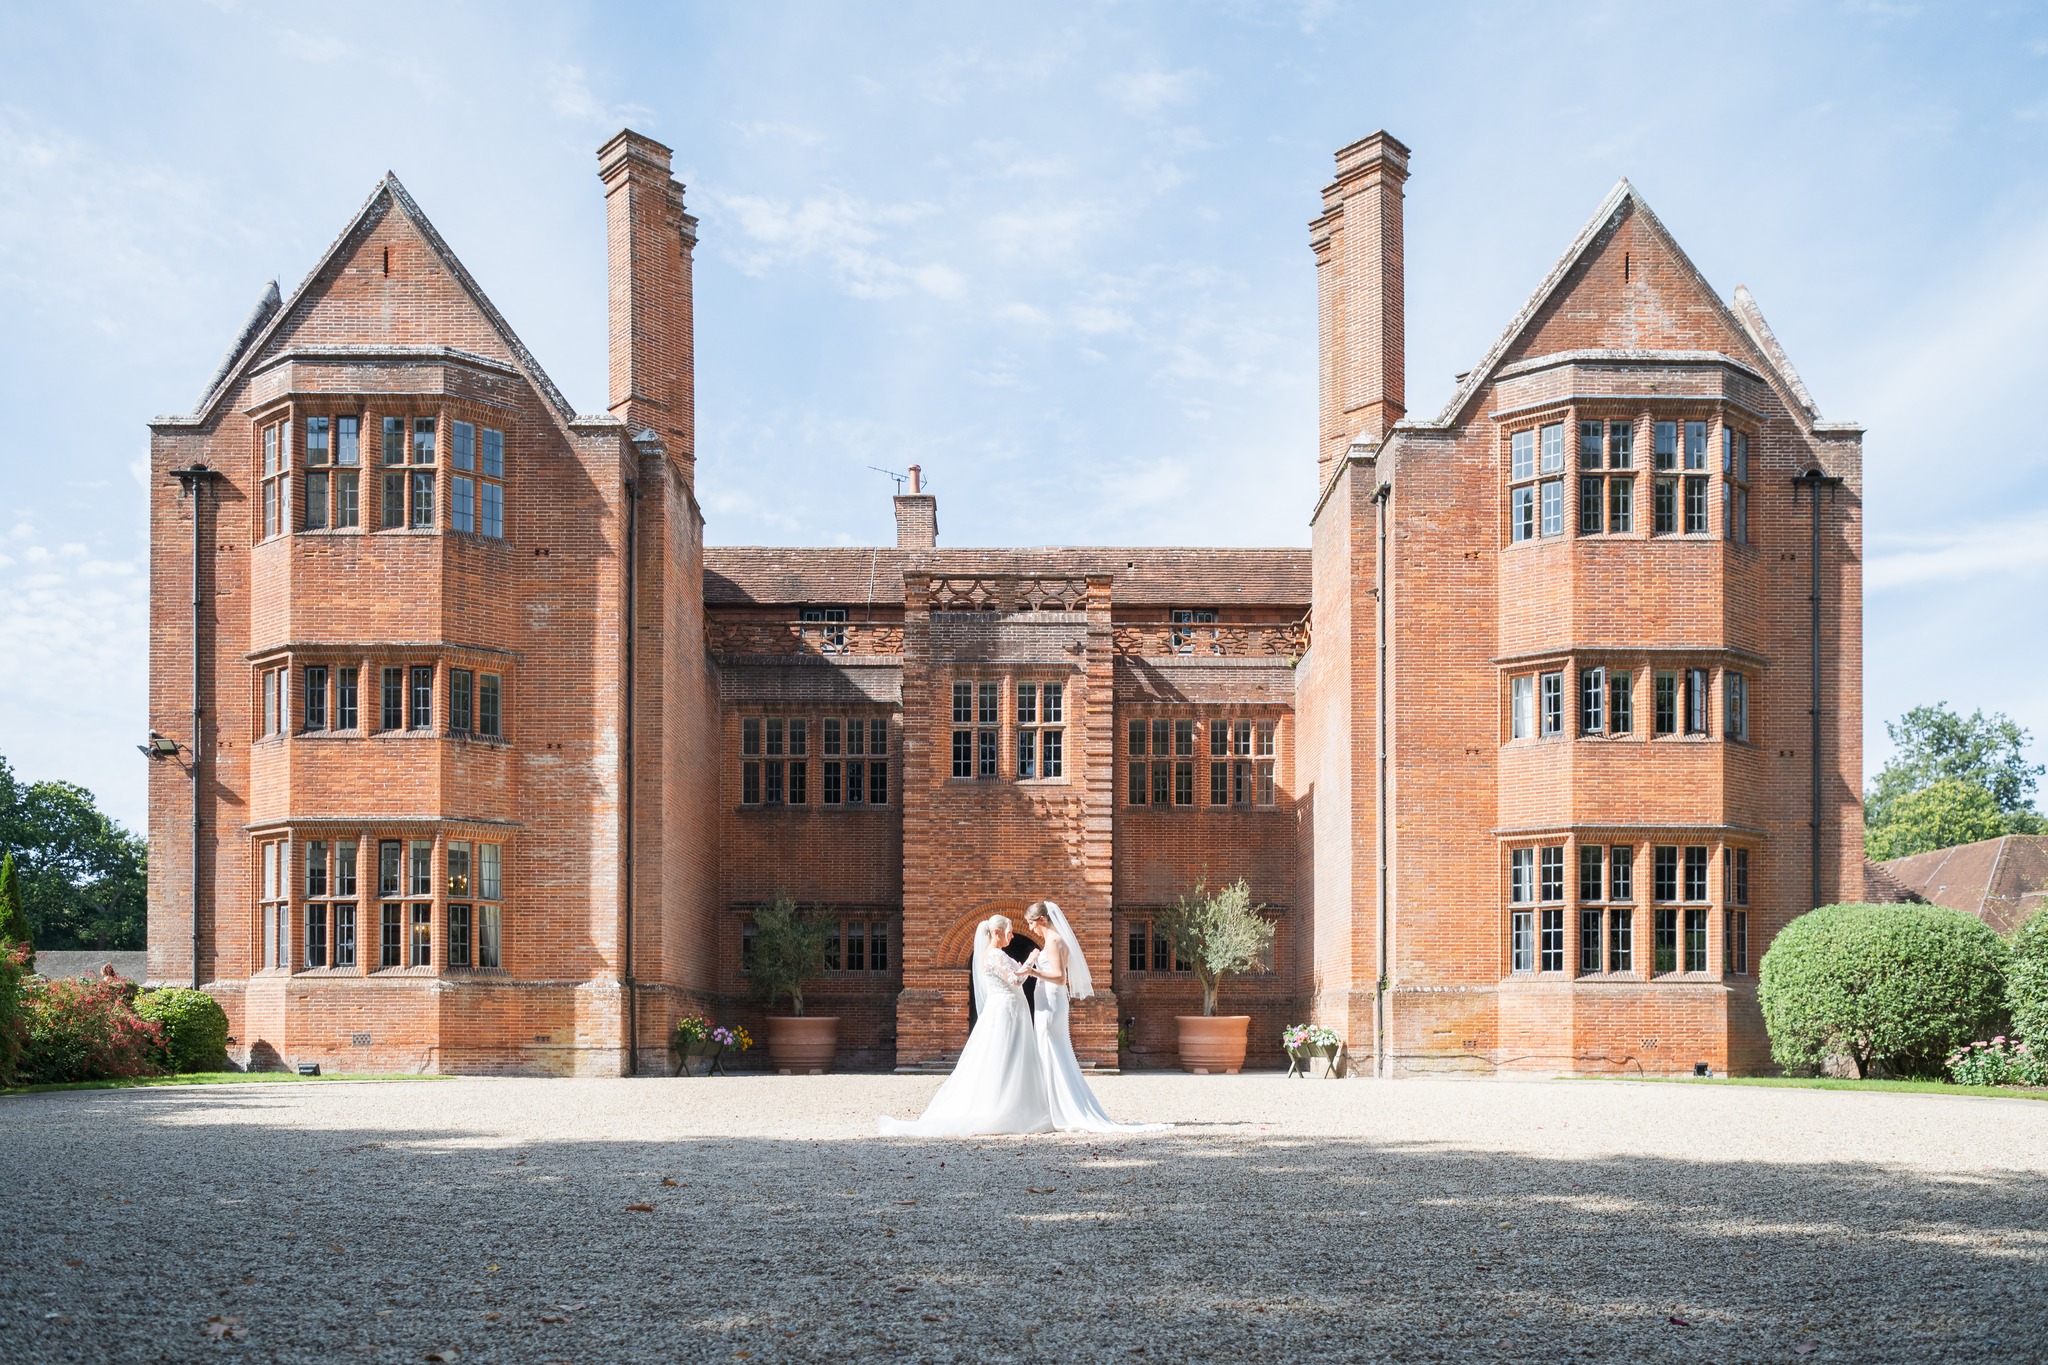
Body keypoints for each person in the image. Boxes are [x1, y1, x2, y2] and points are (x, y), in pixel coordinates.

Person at [878, 915, 1053, 1137]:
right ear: (997, 933)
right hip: (1005, 1012)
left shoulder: (998, 955)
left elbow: (1015, 979)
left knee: (1015, 1055)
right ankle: (1001, 1106)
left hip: (1013, 1009)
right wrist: (1031, 959)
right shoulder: (994, 955)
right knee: (1005, 1055)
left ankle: (1017, 1103)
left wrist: (1022, 970)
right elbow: (1016, 980)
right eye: (1009, 931)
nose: (1012, 935)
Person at [1019, 901, 1167, 1133]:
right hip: (1046, 1000)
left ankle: (1058, 1110)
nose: (1030, 929)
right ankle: (1050, 1107)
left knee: (1050, 1050)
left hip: (1051, 1001)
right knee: (1049, 1051)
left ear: (1042, 920)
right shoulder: (1049, 941)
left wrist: (1032, 971)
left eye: (1031, 923)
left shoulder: (1056, 941)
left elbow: (1059, 977)